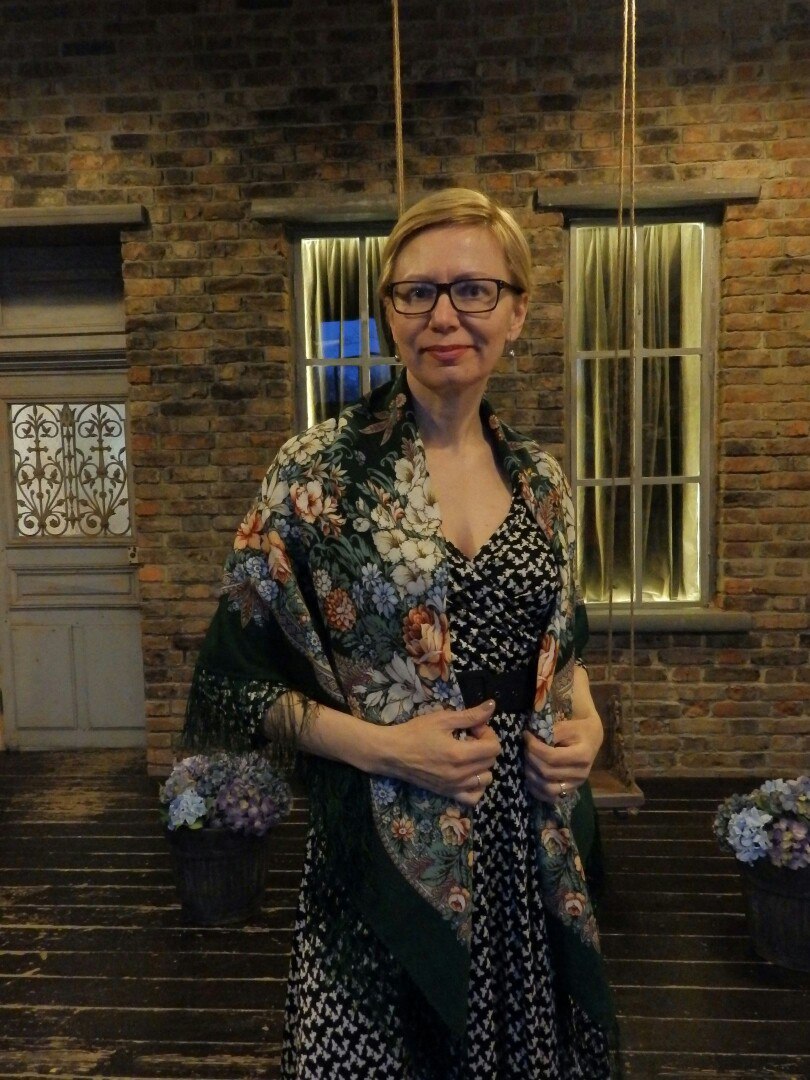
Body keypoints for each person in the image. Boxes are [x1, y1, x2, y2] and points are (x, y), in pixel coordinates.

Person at [184, 188, 615, 1078]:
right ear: (390, 312)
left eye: (474, 289)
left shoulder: (543, 483)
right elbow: (235, 683)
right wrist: (387, 749)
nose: (444, 315)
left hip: (525, 853)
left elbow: (562, 657)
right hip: (384, 854)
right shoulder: (318, 474)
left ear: (517, 311)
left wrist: (592, 727)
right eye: (417, 292)